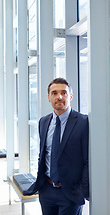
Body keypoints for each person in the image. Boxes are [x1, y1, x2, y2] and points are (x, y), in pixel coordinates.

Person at [26, 77, 89, 215]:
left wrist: (82, 191)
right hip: (46, 190)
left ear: (70, 96)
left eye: (64, 93)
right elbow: (44, 154)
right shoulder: (43, 122)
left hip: (70, 193)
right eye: (54, 93)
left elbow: (87, 161)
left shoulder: (83, 122)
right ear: (49, 97)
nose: (59, 97)